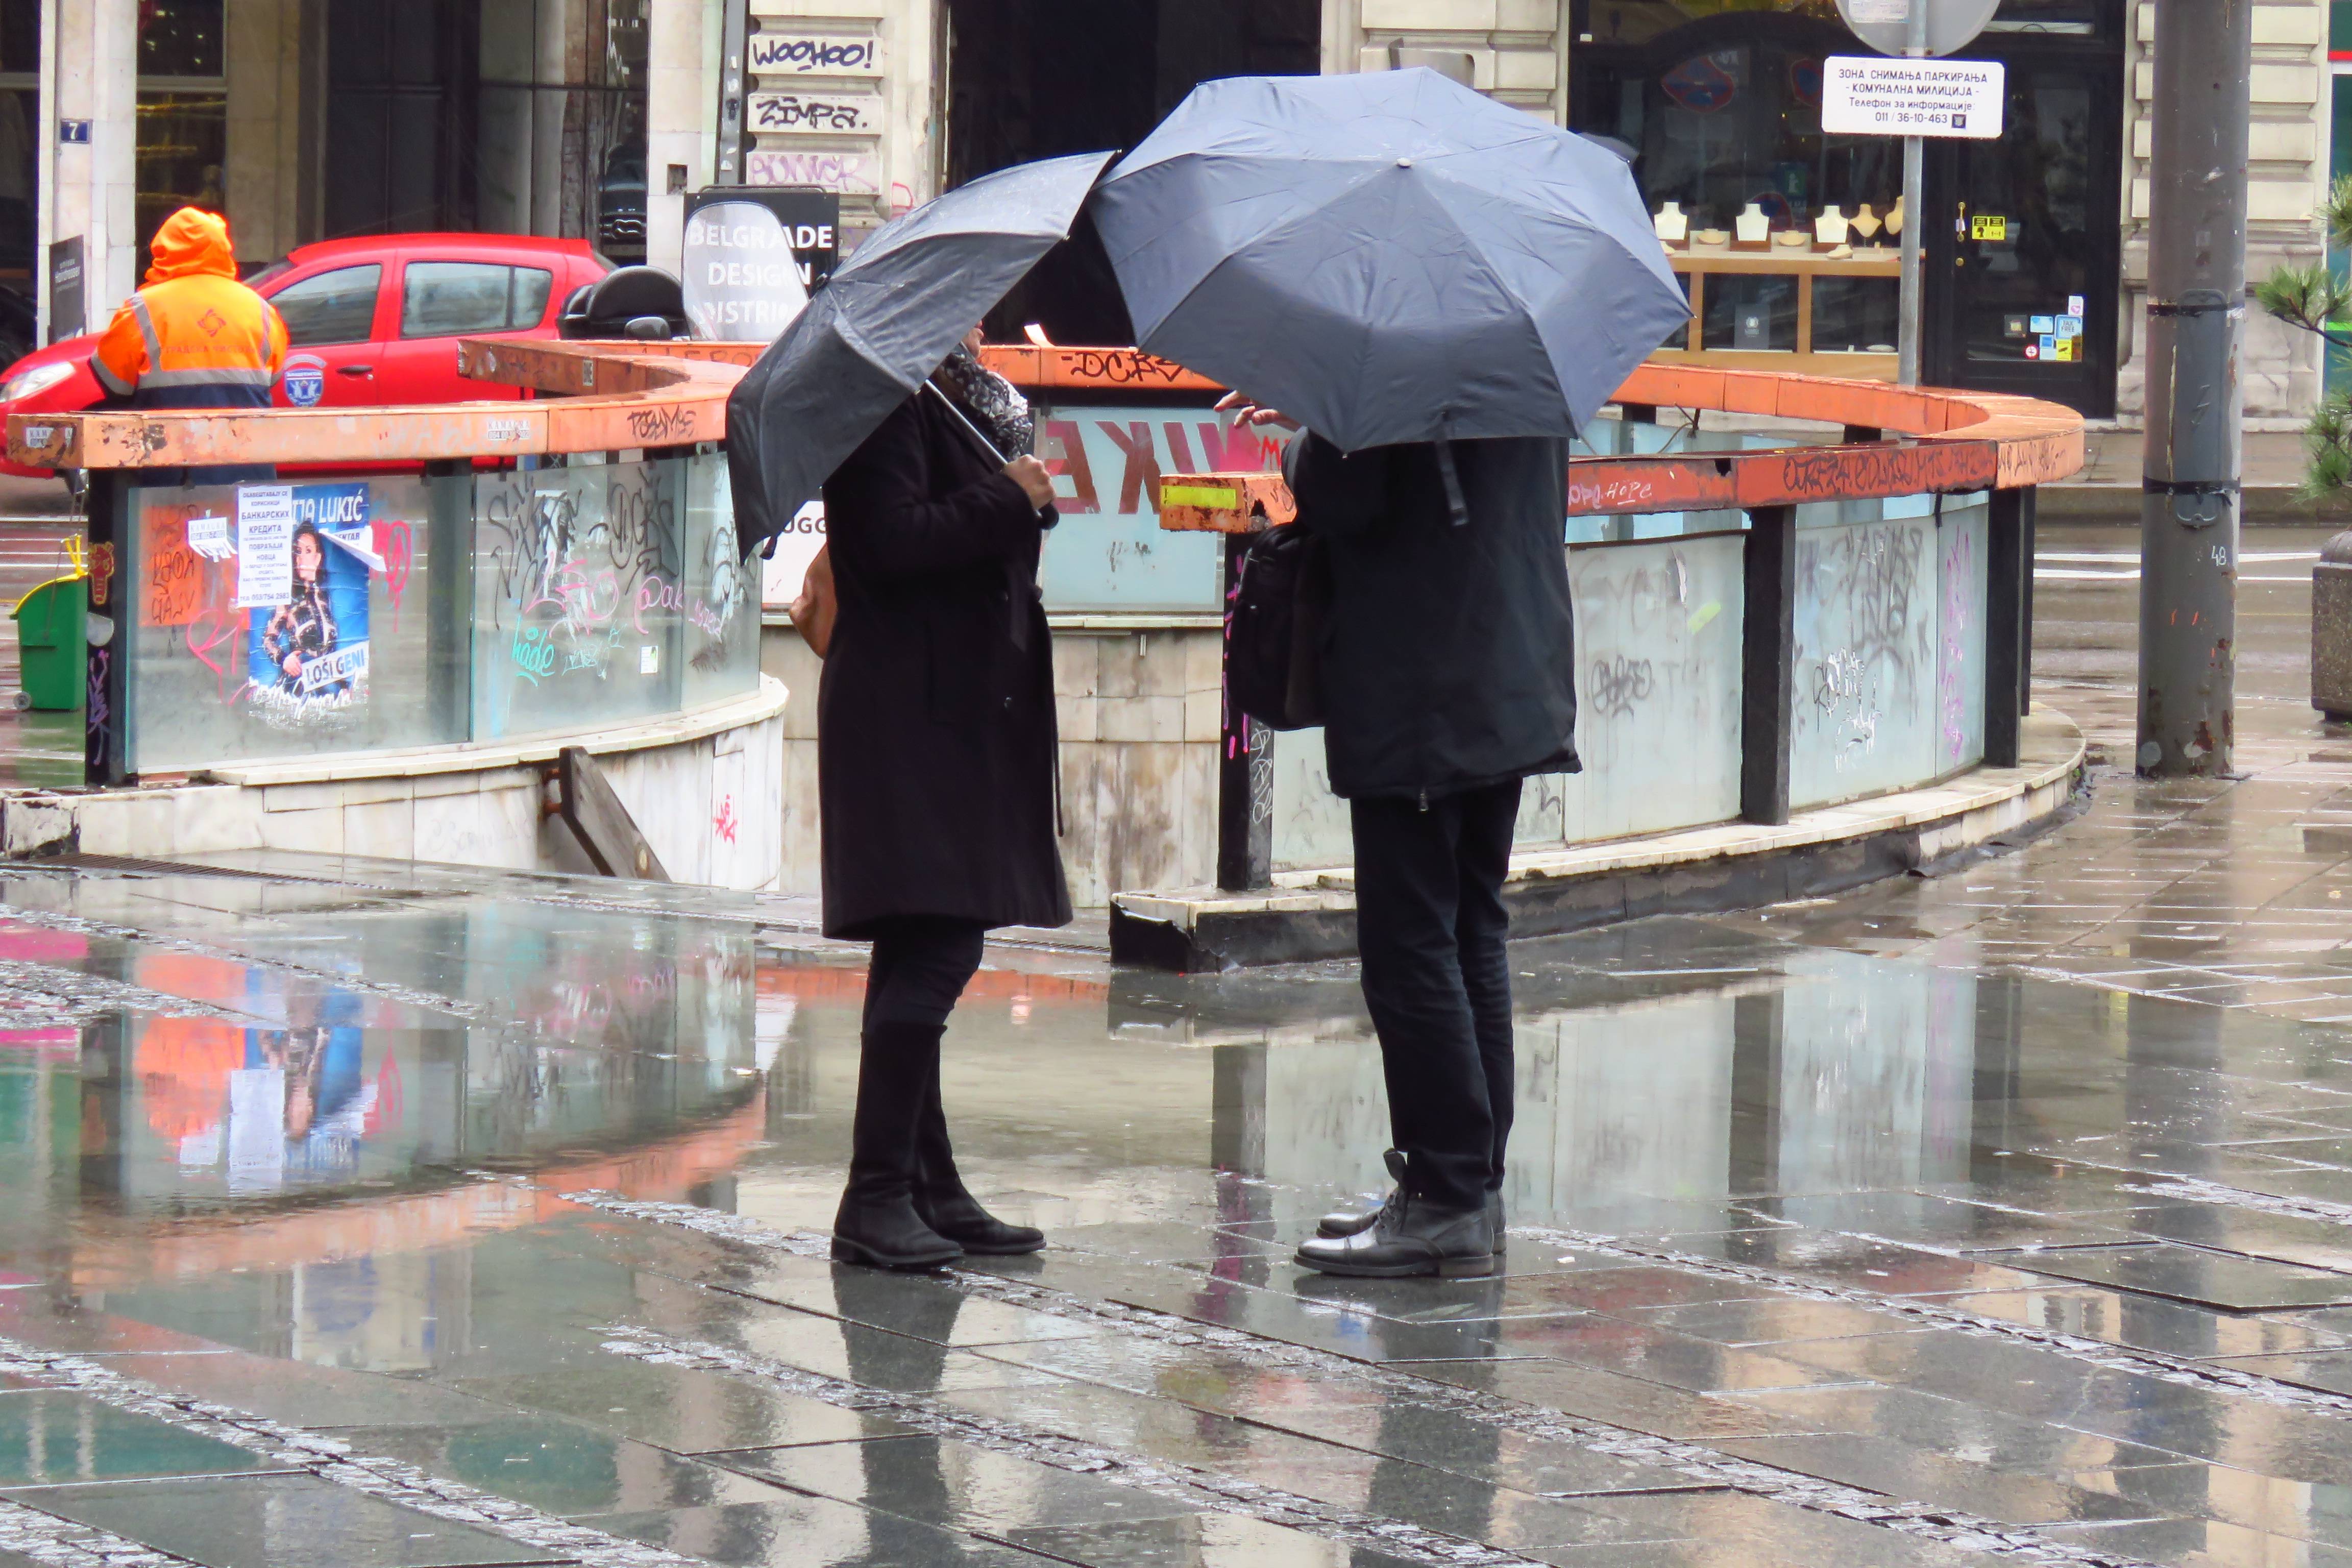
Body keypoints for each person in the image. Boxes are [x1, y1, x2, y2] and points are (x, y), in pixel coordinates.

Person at [1227, 398, 1578, 1279]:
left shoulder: (1401, 371)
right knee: (1470, 929)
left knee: (1411, 944)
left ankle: (1446, 1197)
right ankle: (1470, 1190)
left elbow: (1351, 493)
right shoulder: (1515, 363)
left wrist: (1307, 435)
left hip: (1424, 687)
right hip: (1507, 673)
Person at [819, 328, 1068, 1270]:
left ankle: (927, 1184)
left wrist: (1012, 493)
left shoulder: (947, 396)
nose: (974, 327)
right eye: (959, 315)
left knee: (919, 940)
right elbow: (885, 541)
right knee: (940, 942)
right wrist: (1007, 496)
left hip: (950, 706)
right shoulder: (881, 400)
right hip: (908, 716)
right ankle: (874, 1194)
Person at [92, 206, 287, 484]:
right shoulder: (259, 308)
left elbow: (114, 383)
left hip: (169, 476)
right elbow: (274, 375)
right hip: (248, 473)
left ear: (164, 251)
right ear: (223, 249)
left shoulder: (143, 308)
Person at [263, 524, 337, 694]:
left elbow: (329, 651)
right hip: (295, 688)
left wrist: (343, 686)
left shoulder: (325, 599)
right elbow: (268, 640)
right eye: (298, 552)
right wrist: (284, 659)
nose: (301, 558)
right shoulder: (288, 600)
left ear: (318, 558)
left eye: (308, 551)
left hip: (323, 690)